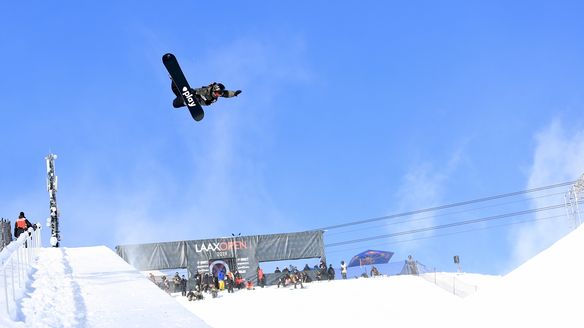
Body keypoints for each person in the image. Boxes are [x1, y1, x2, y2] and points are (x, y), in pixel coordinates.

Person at [172, 82, 241, 108]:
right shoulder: (210, 89)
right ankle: (174, 80)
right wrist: (192, 92)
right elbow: (200, 91)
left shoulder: (214, 97)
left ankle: (186, 101)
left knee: (175, 103)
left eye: (220, 94)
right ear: (214, 89)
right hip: (194, 92)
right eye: (218, 93)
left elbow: (227, 93)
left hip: (198, 100)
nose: (219, 95)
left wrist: (234, 93)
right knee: (176, 90)